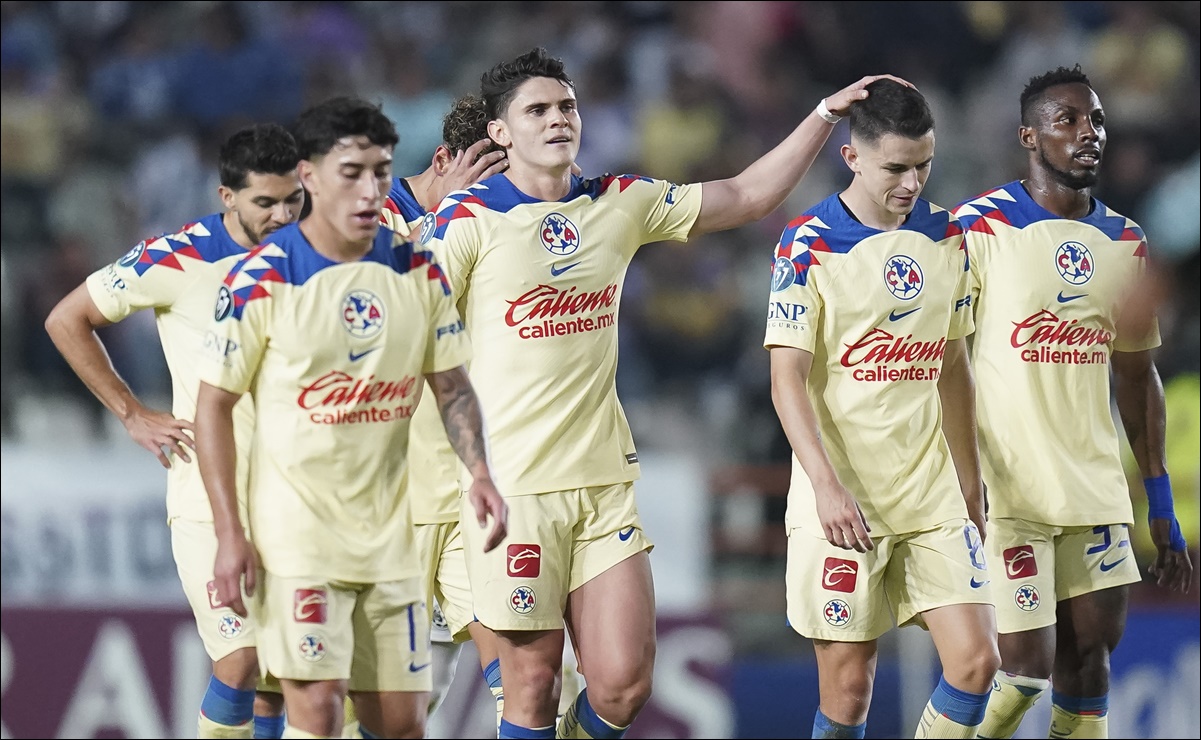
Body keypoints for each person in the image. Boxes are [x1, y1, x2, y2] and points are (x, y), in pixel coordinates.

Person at [421, 46, 904, 740]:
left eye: (566, 106)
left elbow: (742, 195)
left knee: (621, 688)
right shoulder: (466, 220)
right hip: (511, 489)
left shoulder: (618, 202)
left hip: (601, 485)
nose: (559, 119)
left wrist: (823, 115)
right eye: (537, 110)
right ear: (499, 133)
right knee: (530, 689)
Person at [193, 96, 509, 739]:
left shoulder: (414, 267)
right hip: (298, 538)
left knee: (399, 724)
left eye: (382, 172)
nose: (370, 189)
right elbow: (213, 409)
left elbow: (450, 384)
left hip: (390, 536)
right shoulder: (260, 279)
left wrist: (479, 472)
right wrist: (230, 533)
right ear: (308, 177)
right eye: (352, 173)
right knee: (317, 707)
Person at [952, 65, 1193, 740]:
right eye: (1068, 121)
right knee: (1024, 669)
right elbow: (940, 361)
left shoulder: (1125, 242)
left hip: (1094, 490)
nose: (1088, 134)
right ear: (1028, 136)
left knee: (1088, 669)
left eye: (1095, 121)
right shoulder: (977, 228)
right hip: (1010, 492)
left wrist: (1161, 504)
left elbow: (1136, 378)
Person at [44, 123, 303, 740]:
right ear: (226, 197)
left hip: (299, 497)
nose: (282, 215)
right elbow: (67, 318)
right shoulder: (177, 256)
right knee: (239, 662)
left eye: (292, 199)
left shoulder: (321, 253)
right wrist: (132, 411)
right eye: (264, 202)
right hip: (207, 499)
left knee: (278, 677)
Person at [765, 79, 1001, 739]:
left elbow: (953, 367)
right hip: (843, 498)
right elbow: (786, 378)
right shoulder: (807, 242)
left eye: (923, 164)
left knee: (977, 662)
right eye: (896, 167)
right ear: (853, 158)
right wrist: (823, 487)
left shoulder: (946, 234)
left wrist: (970, 482)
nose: (912, 181)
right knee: (848, 692)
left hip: (930, 494)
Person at [392, 94, 585, 737]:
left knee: (540, 690)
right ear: (448, 160)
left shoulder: (514, 222)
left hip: (476, 499)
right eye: (492, 179)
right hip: (392, 506)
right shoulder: (367, 219)